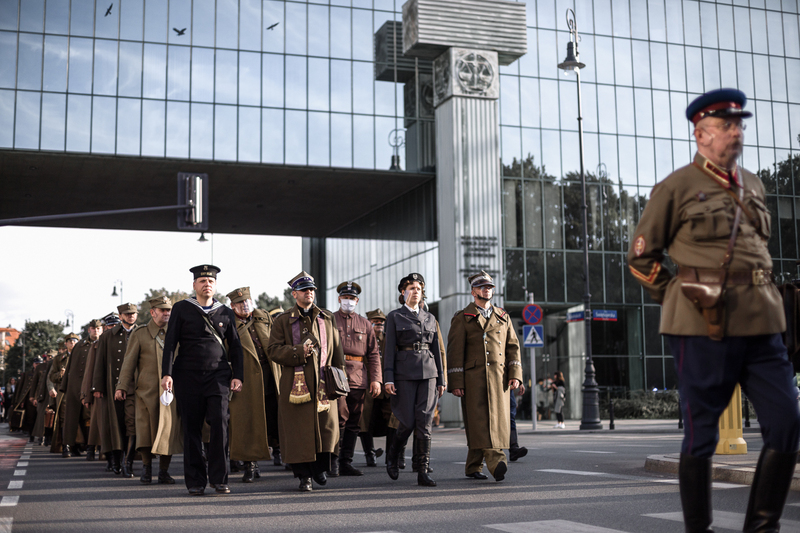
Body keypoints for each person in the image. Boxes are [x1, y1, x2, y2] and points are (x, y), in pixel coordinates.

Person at [628, 88, 800, 533]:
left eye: (739, 124)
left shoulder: (755, 185)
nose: (736, 132)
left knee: (786, 425)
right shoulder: (676, 187)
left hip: (763, 324)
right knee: (702, 435)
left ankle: (762, 527)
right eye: (726, 125)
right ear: (701, 133)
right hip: (702, 327)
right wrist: (678, 295)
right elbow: (641, 259)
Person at [161, 265, 244, 496]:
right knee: (192, 430)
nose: (206, 284)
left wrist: (238, 375)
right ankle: (195, 481)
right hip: (187, 376)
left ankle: (219, 479)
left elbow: (235, 346)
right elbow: (170, 344)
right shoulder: (181, 308)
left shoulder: (226, 312)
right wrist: (166, 374)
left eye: (210, 281)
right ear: (194, 285)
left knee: (220, 423)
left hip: (218, 376)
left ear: (215, 286)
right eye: (202, 281)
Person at [267, 271, 346, 492]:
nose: (309, 293)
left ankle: (320, 468)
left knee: (326, 428)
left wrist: (341, 382)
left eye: (311, 290)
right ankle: (304, 476)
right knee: (298, 432)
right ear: (294, 294)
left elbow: (337, 351)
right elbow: (272, 350)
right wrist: (297, 351)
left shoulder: (326, 318)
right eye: (304, 290)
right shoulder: (283, 320)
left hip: (323, 384)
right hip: (295, 385)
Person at [446, 270, 522, 482]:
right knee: (479, 421)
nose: (486, 290)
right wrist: (456, 382)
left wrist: (515, 374)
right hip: (474, 379)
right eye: (481, 287)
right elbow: (454, 353)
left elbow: (513, 347)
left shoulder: (503, 316)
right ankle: (496, 459)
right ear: (473, 292)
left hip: (499, 378)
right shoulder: (462, 318)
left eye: (489, 287)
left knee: (497, 420)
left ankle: (473, 465)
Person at [383, 273, 444, 487]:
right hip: (404, 374)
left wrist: (441, 379)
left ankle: (422, 471)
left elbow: (437, 349)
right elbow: (389, 350)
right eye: (411, 287)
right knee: (407, 422)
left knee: (425, 423)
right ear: (403, 292)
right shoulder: (394, 317)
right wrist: (388, 378)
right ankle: (393, 455)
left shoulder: (430, 318)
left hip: (428, 373)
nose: (415, 290)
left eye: (419, 287)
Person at [115, 296, 181, 485]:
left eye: (168, 310)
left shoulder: (176, 333)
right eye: (162, 310)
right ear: (152, 312)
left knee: (167, 431)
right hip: (146, 392)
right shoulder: (140, 334)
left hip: (169, 393)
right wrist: (121, 386)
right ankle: (146, 468)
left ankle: (163, 471)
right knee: (145, 433)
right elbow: (128, 363)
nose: (166, 313)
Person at [226, 286, 280, 483]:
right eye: (240, 303)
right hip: (246, 379)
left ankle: (284, 457)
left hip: (270, 376)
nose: (245, 305)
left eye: (247, 301)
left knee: (274, 419)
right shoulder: (228, 323)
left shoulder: (264, 318)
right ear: (232, 306)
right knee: (248, 423)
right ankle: (250, 465)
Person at [330, 281, 382, 477]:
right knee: (339, 418)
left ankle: (346, 462)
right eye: (345, 298)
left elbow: (374, 354)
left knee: (354, 421)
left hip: (358, 377)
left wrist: (376, 380)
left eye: (352, 299)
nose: (348, 301)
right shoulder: (329, 320)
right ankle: (333, 461)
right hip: (335, 375)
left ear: (357, 301)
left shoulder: (365, 324)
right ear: (339, 299)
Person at [93, 303, 139, 477]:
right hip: (112, 386)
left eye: (133, 313)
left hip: (135, 387)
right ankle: (117, 461)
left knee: (132, 425)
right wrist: (97, 387)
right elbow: (100, 362)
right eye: (127, 314)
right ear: (120, 316)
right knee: (115, 425)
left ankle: (129, 463)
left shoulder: (141, 333)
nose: (130, 316)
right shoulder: (107, 336)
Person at [60, 320, 103, 458]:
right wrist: (65, 385)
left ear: (101, 329)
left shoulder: (104, 343)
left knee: (92, 417)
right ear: (89, 330)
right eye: (93, 328)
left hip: (95, 385)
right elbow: (70, 367)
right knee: (72, 417)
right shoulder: (79, 346)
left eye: (98, 328)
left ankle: (92, 446)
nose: (95, 331)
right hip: (76, 385)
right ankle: (69, 445)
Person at [359, 309, 392, 467]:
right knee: (366, 422)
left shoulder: (388, 339)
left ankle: (392, 455)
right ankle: (369, 453)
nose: (378, 324)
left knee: (391, 420)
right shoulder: (363, 339)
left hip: (386, 388)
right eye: (375, 321)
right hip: (368, 386)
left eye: (381, 322)